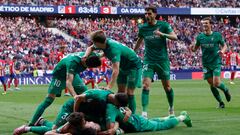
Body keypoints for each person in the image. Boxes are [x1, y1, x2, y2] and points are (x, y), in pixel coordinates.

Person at [28, 52, 101, 126]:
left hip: (73, 75)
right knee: (48, 100)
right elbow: (68, 83)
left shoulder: (92, 56)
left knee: (86, 96)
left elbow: (103, 51)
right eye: (85, 65)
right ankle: (32, 123)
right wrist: (75, 96)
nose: (85, 67)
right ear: (85, 59)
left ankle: (86, 120)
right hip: (59, 76)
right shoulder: (73, 62)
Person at [134, 5, 178, 117]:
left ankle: (171, 107)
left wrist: (162, 34)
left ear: (155, 14)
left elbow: (175, 37)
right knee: (145, 85)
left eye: (149, 13)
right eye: (146, 13)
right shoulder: (143, 28)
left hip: (162, 61)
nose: (147, 15)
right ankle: (144, 113)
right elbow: (139, 40)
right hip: (149, 60)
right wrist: (133, 52)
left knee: (167, 87)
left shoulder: (163, 25)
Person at [83, 30, 142, 114]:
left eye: (94, 42)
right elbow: (90, 48)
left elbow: (115, 70)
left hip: (133, 67)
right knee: (121, 93)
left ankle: (133, 116)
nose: (93, 44)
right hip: (123, 67)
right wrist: (85, 56)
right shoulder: (104, 43)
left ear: (98, 43)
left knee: (130, 93)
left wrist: (109, 87)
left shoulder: (113, 49)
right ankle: (122, 113)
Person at [191, 17, 231, 108]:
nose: (204, 25)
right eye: (203, 23)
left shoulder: (217, 35)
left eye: (206, 23)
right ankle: (220, 102)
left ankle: (225, 90)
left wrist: (222, 51)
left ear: (210, 24)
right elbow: (195, 49)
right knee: (211, 84)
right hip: (206, 64)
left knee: (216, 83)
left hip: (216, 62)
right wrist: (191, 48)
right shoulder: (200, 37)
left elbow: (224, 45)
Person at [105, 104, 192, 134]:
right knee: (151, 121)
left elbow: (112, 130)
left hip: (139, 125)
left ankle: (182, 117)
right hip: (136, 119)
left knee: (160, 126)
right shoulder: (111, 103)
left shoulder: (110, 112)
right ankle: (169, 117)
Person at [14, 112, 99, 135]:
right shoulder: (91, 127)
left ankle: (42, 121)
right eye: (85, 121)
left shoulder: (92, 127)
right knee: (54, 129)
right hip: (70, 109)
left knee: (55, 130)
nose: (88, 122)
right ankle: (27, 128)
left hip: (75, 115)